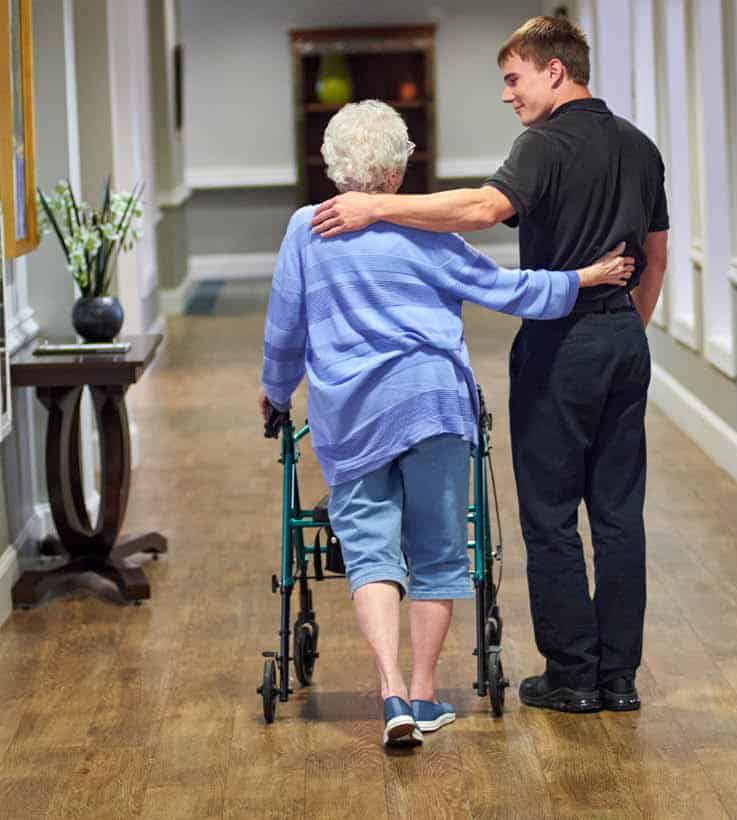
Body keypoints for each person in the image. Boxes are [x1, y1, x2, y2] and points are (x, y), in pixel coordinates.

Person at [310, 16, 668, 715]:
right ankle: (618, 678)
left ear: (555, 71)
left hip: (558, 340)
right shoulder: (640, 146)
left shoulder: (543, 144)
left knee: (552, 513)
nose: (509, 95)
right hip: (624, 338)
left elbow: (482, 208)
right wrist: (624, 329)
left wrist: (375, 205)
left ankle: (572, 676)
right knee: (621, 515)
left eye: (513, 78)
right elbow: (652, 258)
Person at [259, 99, 635, 747]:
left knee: (372, 551)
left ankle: (390, 693)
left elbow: (285, 330)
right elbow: (507, 291)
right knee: (437, 551)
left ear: (333, 165)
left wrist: (273, 393)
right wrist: (585, 278)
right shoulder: (430, 232)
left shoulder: (306, 230)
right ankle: (428, 693)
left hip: (351, 413)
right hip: (432, 404)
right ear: (400, 170)